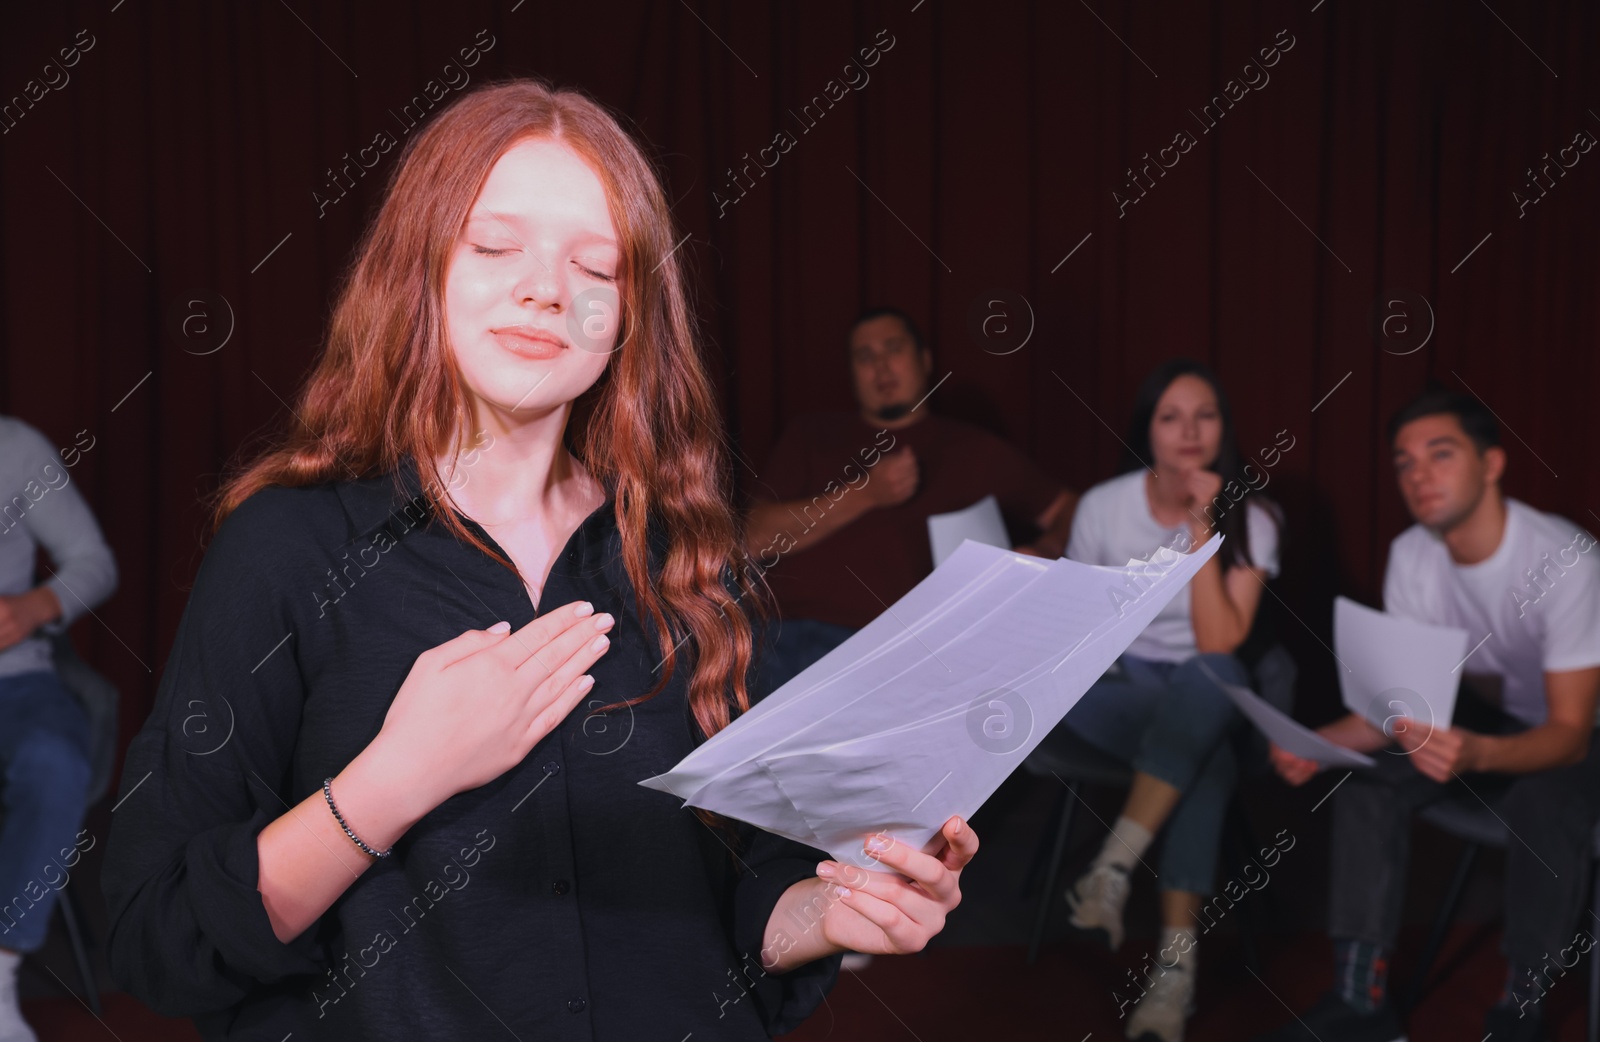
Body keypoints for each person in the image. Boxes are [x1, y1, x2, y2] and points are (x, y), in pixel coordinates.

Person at [99, 79, 977, 1041]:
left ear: (630, 314)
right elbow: (156, 932)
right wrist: (396, 778)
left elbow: (736, 903)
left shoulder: (685, 560)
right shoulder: (286, 547)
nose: (548, 288)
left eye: (595, 266)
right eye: (495, 246)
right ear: (420, 269)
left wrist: (832, 913)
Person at [1257, 389, 1600, 1042]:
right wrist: (1318, 741)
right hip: (1487, 722)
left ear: (1493, 463)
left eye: (1439, 455)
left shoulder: (1567, 563)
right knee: (1366, 779)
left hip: (1579, 737)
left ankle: (1520, 1011)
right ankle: (1362, 1004)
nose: (1419, 475)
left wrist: (1478, 755)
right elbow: (1405, 704)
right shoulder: (1412, 553)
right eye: (1405, 463)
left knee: (1543, 798)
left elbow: (1569, 735)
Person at [1050, 359, 1283, 1042]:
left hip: (1208, 687)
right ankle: (1174, 974)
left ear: (1224, 430)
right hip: (1117, 688)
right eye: (1170, 416)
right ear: (1146, 430)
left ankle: (1113, 870)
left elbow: (1218, 643)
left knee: (1209, 683)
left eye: (1204, 415)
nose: (1188, 432)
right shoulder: (1103, 506)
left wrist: (1204, 527)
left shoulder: (1258, 517)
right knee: (1199, 751)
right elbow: (1079, 632)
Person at [745, 306, 1078, 691]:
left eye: (893, 349)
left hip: (891, 652)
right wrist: (865, 493)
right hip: (775, 636)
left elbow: (1069, 508)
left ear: (924, 360)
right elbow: (753, 540)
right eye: (865, 357)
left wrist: (1043, 550)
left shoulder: (974, 449)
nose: (881, 367)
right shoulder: (812, 435)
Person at [0, 416, 118, 1042]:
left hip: (14, 679)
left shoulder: (15, 448)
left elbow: (92, 562)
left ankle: (0, 976)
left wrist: (36, 605)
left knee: (55, 760)